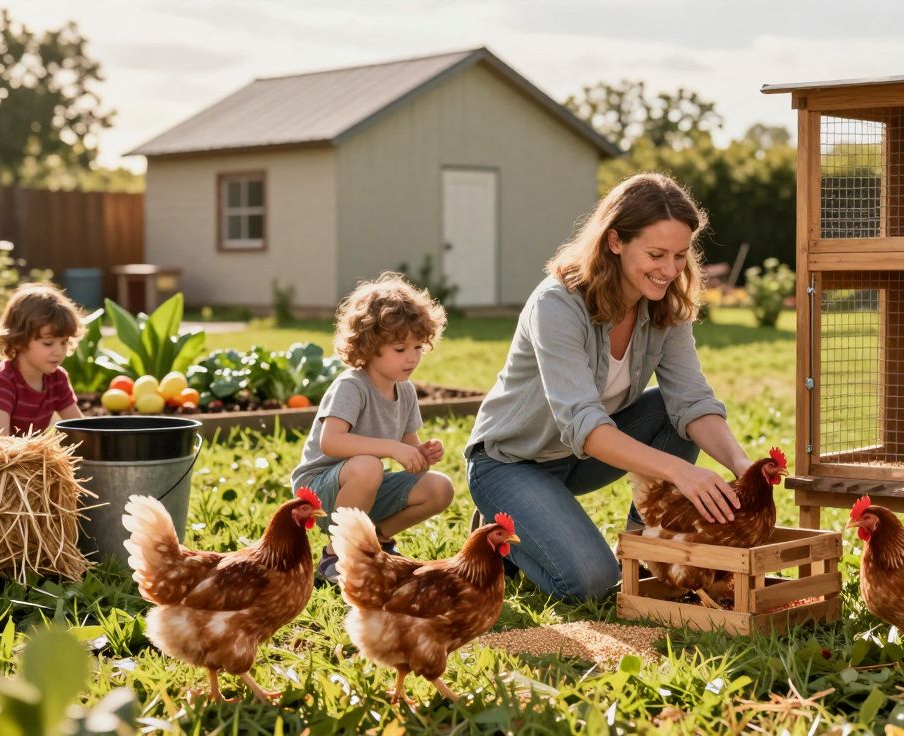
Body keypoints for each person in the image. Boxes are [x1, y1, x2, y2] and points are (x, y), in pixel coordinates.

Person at [465, 172, 753, 601]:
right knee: (595, 584)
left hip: (579, 462)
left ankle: (643, 546)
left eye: (679, 255)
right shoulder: (557, 305)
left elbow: (692, 401)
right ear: (615, 241)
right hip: (512, 462)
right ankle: (506, 533)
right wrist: (680, 472)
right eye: (656, 254)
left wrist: (743, 468)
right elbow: (584, 424)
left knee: (674, 417)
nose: (671, 270)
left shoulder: (664, 307)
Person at [291, 272, 455, 584]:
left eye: (418, 347)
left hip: (367, 484)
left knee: (439, 487)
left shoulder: (404, 390)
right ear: (369, 345)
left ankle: (373, 543)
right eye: (400, 349)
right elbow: (332, 442)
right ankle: (335, 555)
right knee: (368, 465)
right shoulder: (352, 386)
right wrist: (393, 448)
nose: (412, 358)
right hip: (319, 492)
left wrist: (421, 453)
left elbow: (409, 449)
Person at [0, 283, 83, 435]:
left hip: (20, 455)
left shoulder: (57, 379)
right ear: (18, 341)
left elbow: (80, 429)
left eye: (64, 342)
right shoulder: (1, 382)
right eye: (48, 343)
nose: (60, 351)